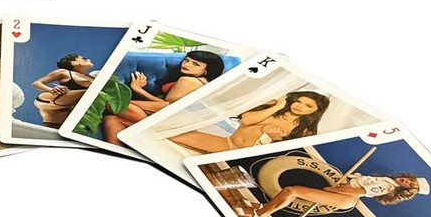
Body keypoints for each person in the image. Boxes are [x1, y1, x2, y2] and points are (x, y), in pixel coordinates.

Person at [102, 51, 228, 143]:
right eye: (186, 60)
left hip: (169, 116)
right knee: (111, 120)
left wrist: (138, 89)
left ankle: (149, 130)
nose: (187, 64)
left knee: (112, 103)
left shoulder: (188, 80)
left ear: (207, 70)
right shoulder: (204, 83)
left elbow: (167, 106)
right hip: (177, 119)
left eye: (195, 64)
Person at [168, 91, 330, 153]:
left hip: (240, 155)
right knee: (172, 136)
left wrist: (275, 137)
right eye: (299, 101)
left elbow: (282, 152)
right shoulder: (274, 106)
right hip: (228, 144)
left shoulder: (306, 130)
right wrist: (277, 106)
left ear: (316, 111)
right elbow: (246, 119)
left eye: (308, 106)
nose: (300, 106)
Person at [238, 172, 431, 217]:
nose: (407, 181)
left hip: (345, 197)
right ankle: (260, 207)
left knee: (291, 190)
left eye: (410, 185)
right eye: (410, 179)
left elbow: (359, 191)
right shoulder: (387, 180)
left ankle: (261, 214)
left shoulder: (386, 186)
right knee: (292, 191)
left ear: (406, 191)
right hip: (345, 194)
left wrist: (332, 190)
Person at [31, 54, 96, 125]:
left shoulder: (92, 77)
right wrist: (51, 89)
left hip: (65, 109)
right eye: (84, 58)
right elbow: (36, 83)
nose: (89, 59)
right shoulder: (64, 72)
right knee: (93, 92)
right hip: (50, 99)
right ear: (73, 63)